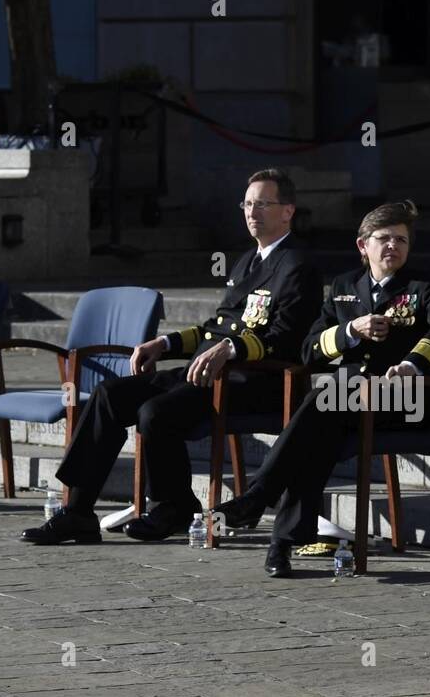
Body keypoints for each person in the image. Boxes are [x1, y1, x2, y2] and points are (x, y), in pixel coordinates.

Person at [20, 168, 323, 546]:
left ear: (288, 211)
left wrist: (230, 349)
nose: (251, 212)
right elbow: (216, 326)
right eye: (246, 203)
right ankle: (79, 511)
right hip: (208, 370)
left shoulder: (298, 265)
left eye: (262, 203)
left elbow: (288, 338)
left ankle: (174, 506)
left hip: (255, 379)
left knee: (156, 412)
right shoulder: (247, 261)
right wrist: (164, 344)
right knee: (110, 395)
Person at [214, 200, 430, 577]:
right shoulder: (344, 286)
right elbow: (309, 349)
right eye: (384, 239)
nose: (393, 246)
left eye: (401, 240)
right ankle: (281, 546)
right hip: (348, 401)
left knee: (319, 410)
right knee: (315, 437)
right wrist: (349, 332)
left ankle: (260, 499)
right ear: (363, 246)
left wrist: (411, 364)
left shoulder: (425, 285)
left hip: (405, 399)